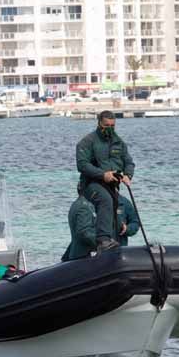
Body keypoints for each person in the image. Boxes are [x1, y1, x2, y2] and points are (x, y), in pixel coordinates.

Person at [76, 110, 135, 251]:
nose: (109, 128)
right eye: (106, 125)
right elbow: (82, 165)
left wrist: (128, 175)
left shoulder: (119, 142)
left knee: (115, 208)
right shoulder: (87, 142)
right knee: (105, 200)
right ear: (99, 124)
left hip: (112, 185)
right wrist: (103, 175)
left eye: (112, 125)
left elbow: (129, 162)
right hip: (92, 184)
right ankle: (103, 241)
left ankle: (113, 242)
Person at [61, 189, 98, 261]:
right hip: (82, 255)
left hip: (77, 253)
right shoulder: (85, 206)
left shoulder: (76, 204)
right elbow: (84, 232)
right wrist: (101, 244)